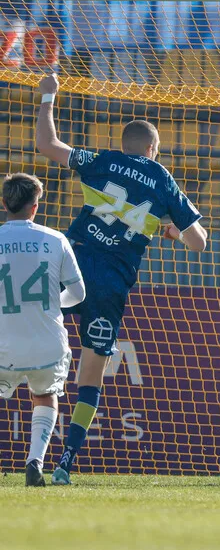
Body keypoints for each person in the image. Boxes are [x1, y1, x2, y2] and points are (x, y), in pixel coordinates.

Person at [33, 73, 208, 485]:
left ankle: (34, 446)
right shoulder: (164, 179)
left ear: (126, 144)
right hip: (111, 283)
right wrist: (173, 229)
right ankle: (65, 463)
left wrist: (47, 97)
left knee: (30, 345)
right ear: (153, 149)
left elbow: (47, 145)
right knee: (90, 371)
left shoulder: (103, 161)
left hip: (69, 267)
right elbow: (199, 243)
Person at [0, 173, 85, 486]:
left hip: (3, 345)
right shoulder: (54, 239)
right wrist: (49, 306)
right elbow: (79, 294)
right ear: (35, 207)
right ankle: (35, 459)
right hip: (46, 344)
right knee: (46, 395)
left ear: (4, 203)